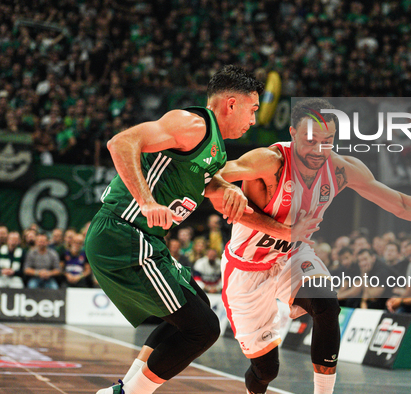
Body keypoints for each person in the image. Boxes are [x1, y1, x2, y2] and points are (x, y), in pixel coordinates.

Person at [216, 98, 411, 394]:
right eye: (311, 140)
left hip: (291, 255)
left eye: (328, 141)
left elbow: (399, 204)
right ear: (294, 134)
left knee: (326, 304)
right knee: (265, 370)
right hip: (247, 269)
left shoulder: (341, 169)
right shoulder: (269, 161)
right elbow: (212, 176)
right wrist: (228, 189)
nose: (319, 150)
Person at [86, 65, 274, 394]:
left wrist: (225, 188)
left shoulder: (215, 149)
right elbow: (121, 143)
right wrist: (145, 201)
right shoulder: (193, 124)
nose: (254, 121)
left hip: (145, 240)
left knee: (195, 307)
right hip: (124, 232)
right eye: (253, 109)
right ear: (231, 104)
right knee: (202, 328)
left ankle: (124, 388)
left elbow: (204, 182)